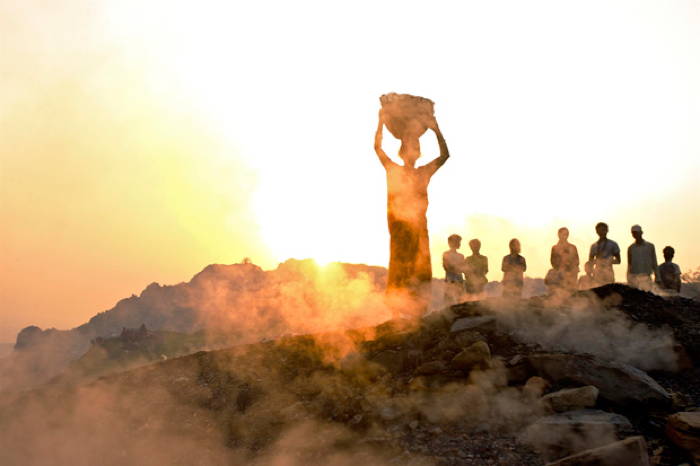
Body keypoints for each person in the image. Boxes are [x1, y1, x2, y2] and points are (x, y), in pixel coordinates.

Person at [374, 109, 449, 299]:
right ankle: (398, 303)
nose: (412, 151)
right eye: (409, 147)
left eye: (415, 148)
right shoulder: (393, 170)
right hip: (400, 225)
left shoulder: (423, 172)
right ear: (402, 153)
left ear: (418, 154)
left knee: (420, 263)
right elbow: (377, 148)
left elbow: (445, 155)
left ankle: (417, 304)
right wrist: (381, 121)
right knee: (401, 262)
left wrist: (436, 129)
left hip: (417, 225)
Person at [627, 224, 658, 291]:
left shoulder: (650, 246)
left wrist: (657, 277)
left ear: (641, 233)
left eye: (636, 233)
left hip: (647, 277)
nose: (635, 235)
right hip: (635, 279)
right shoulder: (631, 248)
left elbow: (654, 262)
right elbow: (629, 265)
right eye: (633, 233)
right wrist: (628, 278)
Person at [549, 227, 580, 292]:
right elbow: (553, 261)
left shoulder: (572, 247)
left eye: (566, 234)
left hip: (571, 275)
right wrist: (561, 268)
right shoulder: (555, 248)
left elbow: (577, 261)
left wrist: (570, 268)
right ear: (558, 235)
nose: (564, 236)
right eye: (563, 234)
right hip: (559, 274)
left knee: (571, 293)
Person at [442, 234, 465, 304]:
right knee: (449, 302)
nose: (459, 244)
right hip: (450, 281)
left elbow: (463, 268)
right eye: (458, 242)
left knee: (460, 300)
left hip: (458, 281)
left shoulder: (461, 256)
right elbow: (446, 267)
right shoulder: (446, 254)